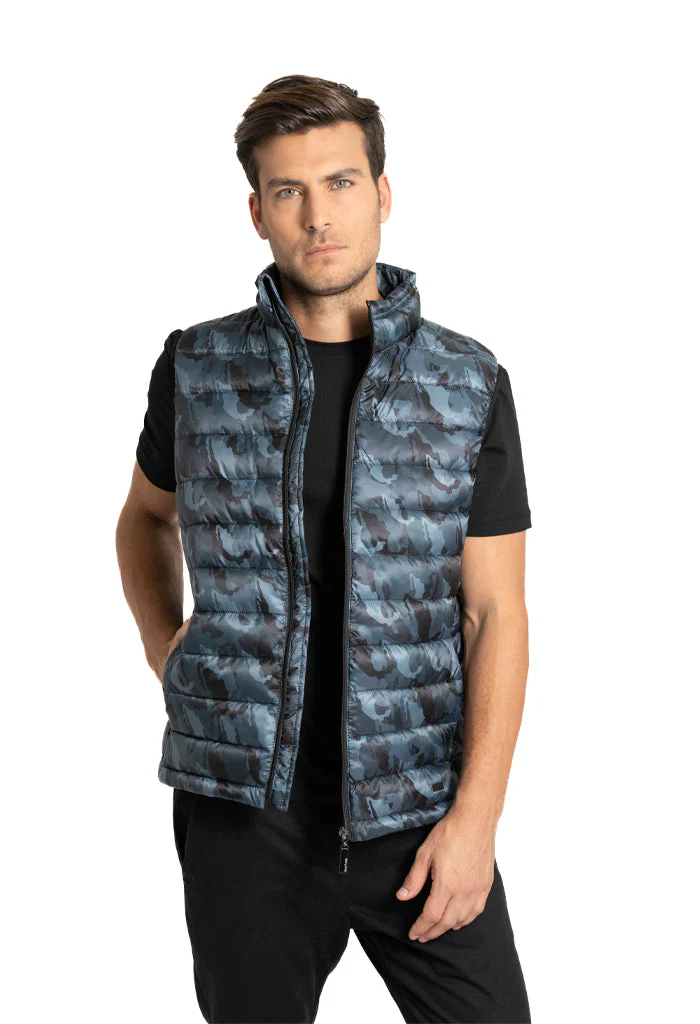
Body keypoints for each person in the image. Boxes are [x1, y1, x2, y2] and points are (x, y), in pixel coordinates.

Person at [115, 74, 533, 1024]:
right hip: (242, 816)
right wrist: (165, 647)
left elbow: (495, 612)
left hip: (414, 808)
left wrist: (476, 821)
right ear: (256, 212)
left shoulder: (466, 383)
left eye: (341, 183)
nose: (318, 217)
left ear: (382, 193)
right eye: (288, 191)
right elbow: (143, 517)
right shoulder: (197, 367)